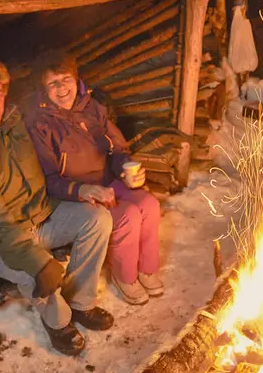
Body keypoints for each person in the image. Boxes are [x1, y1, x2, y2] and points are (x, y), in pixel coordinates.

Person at [0, 57, 114, 356]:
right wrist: (39, 262)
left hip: (38, 216)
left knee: (97, 219)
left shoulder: (11, 126)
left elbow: (38, 178)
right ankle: (59, 322)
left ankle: (80, 303)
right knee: (32, 271)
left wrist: (78, 191)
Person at [24, 51, 163, 306]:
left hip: (107, 181)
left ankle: (146, 268)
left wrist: (125, 171)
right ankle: (126, 276)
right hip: (74, 194)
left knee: (149, 205)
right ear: (44, 90)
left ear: (76, 80)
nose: (61, 88)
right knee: (127, 216)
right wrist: (82, 189)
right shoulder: (39, 123)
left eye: (65, 79)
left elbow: (118, 150)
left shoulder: (92, 108)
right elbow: (48, 178)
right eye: (52, 83)